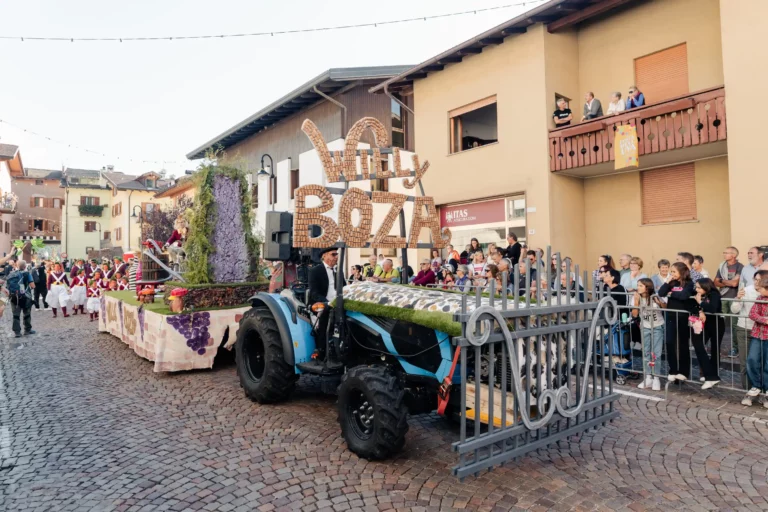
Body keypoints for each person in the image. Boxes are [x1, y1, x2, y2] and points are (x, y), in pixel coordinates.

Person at [658, 262, 697, 382]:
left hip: (683, 317)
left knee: (682, 344)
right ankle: (673, 369)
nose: (672, 274)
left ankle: (684, 371)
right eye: (671, 271)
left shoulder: (689, 283)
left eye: (674, 271)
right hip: (670, 316)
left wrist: (672, 293)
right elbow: (661, 293)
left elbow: (685, 295)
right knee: (669, 342)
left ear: (681, 272)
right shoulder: (671, 282)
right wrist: (667, 282)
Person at [733, 270, 768, 398]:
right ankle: (751, 390)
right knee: (748, 362)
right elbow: (746, 312)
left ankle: (764, 392)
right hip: (750, 330)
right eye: (755, 279)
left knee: (765, 364)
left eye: (759, 280)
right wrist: (738, 298)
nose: (756, 282)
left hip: (763, 333)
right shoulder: (750, 292)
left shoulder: (761, 294)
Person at [632, 278, 664, 391]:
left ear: (647, 287)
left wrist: (659, 302)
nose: (638, 287)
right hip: (645, 327)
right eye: (638, 285)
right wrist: (636, 302)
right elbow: (635, 314)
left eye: (640, 285)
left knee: (656, 353)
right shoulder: (637, 297)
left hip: (657, 327)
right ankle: (648, 376)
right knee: (646, 352)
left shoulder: (654, 297)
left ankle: (656, 378)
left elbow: (665, 308)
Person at [693, 278, 724, 389]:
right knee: (698, 343)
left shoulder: (714, 294)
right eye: (696, 287)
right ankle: (710, 374)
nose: (697, 289)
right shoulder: (699, 294)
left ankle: (712, 376)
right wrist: (700, 310)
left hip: (716, 323)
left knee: (715, 349)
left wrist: (700, 303)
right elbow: (695, 306)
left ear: (706, 287)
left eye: (699, 287)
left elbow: (713, 308)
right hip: (705, 323)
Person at [715, 246, 745, 357]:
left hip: (734, 299)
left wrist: (722, 281)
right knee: (719, 323)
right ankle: (717, 346)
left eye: (726, 252)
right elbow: (715, 282)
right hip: (722, 297)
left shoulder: (740, 266)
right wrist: (726, 281)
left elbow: (734, 284)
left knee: (734, 324)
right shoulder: (722, 266)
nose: (724, 254)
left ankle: (735, 348)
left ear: (733, 255)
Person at [746, 275, 768, 407]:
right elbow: (752, 313)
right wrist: (765, 320)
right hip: (758, 334)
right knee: (752, 360)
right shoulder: (760, 298)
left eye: (760, 289)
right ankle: (756, 386)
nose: (758, 291)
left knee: (767, 364)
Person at [7, 260, 36, 338]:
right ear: (25, 266)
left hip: (14, 297)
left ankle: (17, 332)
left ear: (17, 265)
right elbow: (32, 286)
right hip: (26, 297)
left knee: (16, 315)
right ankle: (27, 330)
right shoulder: (27, 273)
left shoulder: (11, 274)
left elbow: (7, 286)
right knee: (26, 314)